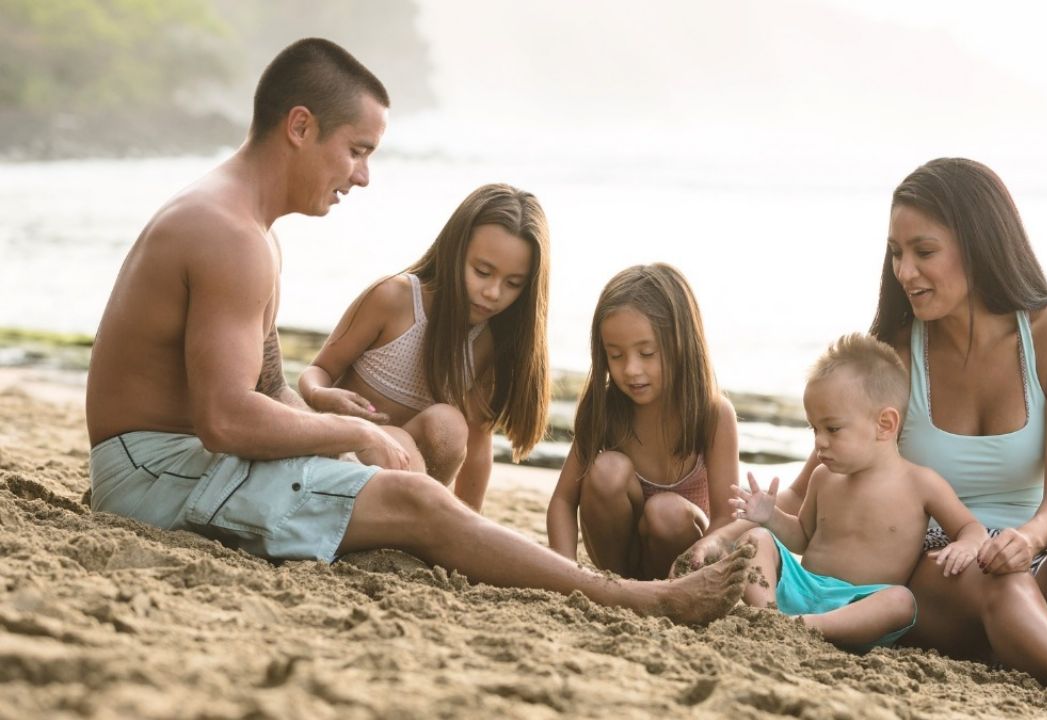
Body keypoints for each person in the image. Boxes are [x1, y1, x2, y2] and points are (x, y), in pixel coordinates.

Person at [84, 37, 750, 626]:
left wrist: (342, 447)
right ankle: (643, 600)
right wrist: (359, 432)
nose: (363, 176)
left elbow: (270, 389)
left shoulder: (247, 229)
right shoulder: (229, 236)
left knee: (407, 490)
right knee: (414, 499)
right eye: (356, 151)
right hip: (156, 475)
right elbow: (225, 419)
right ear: (299, 126)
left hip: (177, 466)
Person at [680, 158, 1047, 714]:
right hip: (946, 583)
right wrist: (721, 536)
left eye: (923, 252)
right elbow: (811, 481)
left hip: (1040, 570)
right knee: (987, 574)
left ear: (980, 245)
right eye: (895, 253)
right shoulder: (892, 352)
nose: (905, 271)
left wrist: (1027, 539)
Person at [298, 183, 550, 511]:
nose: (493, 292)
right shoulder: (394, 299)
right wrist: (320, 395)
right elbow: (319, 371)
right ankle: (420, 516)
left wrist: (469, 523)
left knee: (448, 422)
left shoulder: (487, 341)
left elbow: (477, 444)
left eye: (513, 284)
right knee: (397, 439)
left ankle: (423, 519)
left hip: (407, 469)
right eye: (482, 272)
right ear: (454, 251)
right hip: (342, 453)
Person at [732, 333, 986, 652]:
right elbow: (801, 537)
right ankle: (765, 613)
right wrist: (770, 517)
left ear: (885, 424)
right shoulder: (823, 477)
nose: (819, 442)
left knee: (901, 601)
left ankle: (806, 628)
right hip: (802, 588)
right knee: (755, 539)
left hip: (859, 603)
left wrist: (969, 543)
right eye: (814, 429)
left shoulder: (921, 483)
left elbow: (969, 526)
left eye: (832, 429)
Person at [546, 264, 739, 579]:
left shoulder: (714, 414)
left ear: (682, 343)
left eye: (647, 353)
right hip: (616, 566)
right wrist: (565, 573)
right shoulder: (606, 408)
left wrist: (697, 569)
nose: (631, 370)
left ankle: (658, 588)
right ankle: (619, 586)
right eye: (616, 355)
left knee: (667, 511)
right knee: (607, 469)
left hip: (678, 567)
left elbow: (727, 519)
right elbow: (563, 501)